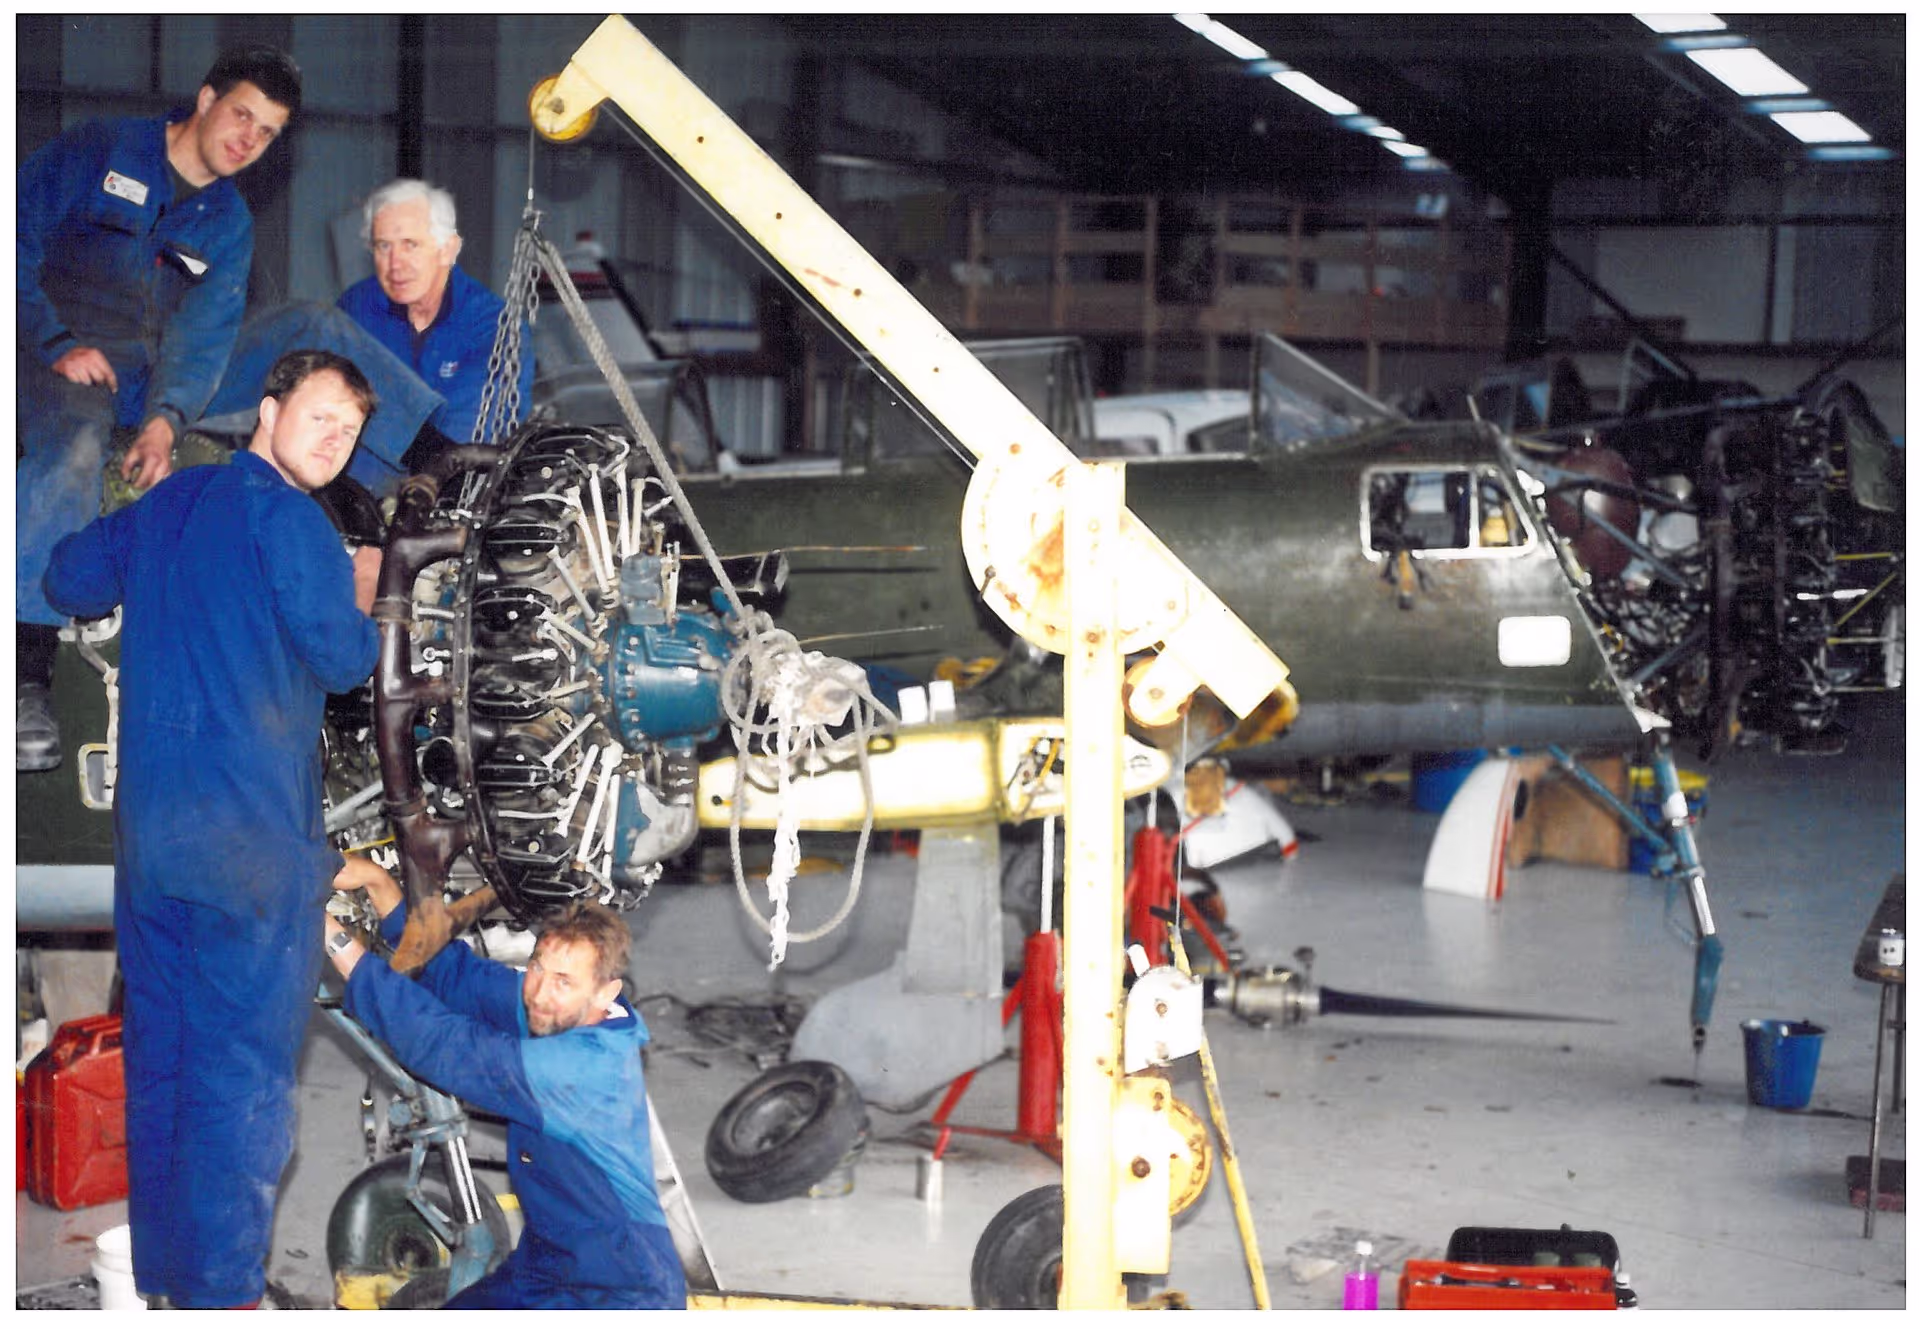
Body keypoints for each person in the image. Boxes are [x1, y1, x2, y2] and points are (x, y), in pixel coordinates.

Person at [43, 349, 381, 1311]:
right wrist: (362, 588)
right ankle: (223, 1297)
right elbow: (346, 660)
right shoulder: (301, 527)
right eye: (318, 416)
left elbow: (68, 576)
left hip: (154, 852)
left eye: (350, 432)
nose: (334, 440)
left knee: (166, 1066)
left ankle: (166, 1286)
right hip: (254, 855)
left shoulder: (174, 501)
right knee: (240, 1088)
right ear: (268, 412)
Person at [16, 44, 302, 773]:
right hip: (44, 350)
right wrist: (54, 342)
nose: (249, 139)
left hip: (146, 377)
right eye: (242, 115)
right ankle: (24, 670)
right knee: (78, 444)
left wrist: (166, 422)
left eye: (267, 132)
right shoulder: (102, 146)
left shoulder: (227, 222)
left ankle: (432, 477)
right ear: (206, 101)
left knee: (308, 330)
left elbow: (203, 338)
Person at [325, 857, 687, 1310]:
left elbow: (440, 1044)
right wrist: (377, 883)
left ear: (605, 993)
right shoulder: (559, 1012)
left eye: (562, 982)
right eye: (537, 967)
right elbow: (458, 976)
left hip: (619, 1288)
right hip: (546, 1265)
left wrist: (331, 936)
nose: (538, 992)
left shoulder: (581, 1068)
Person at [195, 177, 536, 496]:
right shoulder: (356, 308)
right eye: (382, 246)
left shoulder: (494, 327)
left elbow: (463, 447)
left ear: (447, 249)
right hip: (348, 499)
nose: (395, 263)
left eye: (410, 245)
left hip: (437, 499)